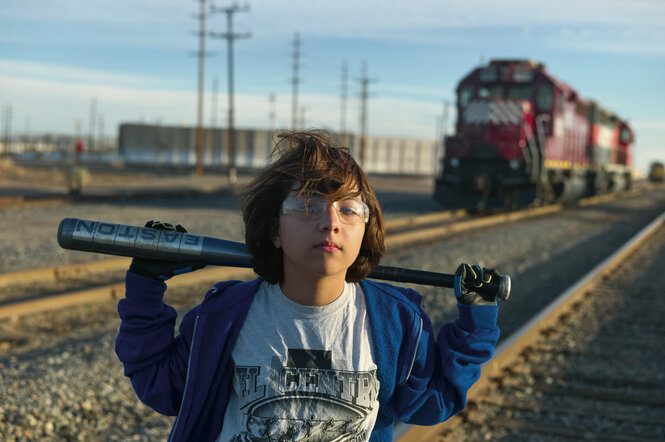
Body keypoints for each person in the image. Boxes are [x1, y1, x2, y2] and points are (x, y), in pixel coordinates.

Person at [115, 129, 501, 441]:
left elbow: (433, 401)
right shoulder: (225, 315)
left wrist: (476, 325)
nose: (330, 221)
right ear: (274, 231)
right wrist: (147, 285)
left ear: (365, 230)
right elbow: (161, 384)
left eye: (348, 209)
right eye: (306, 206)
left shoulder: (396, 320)